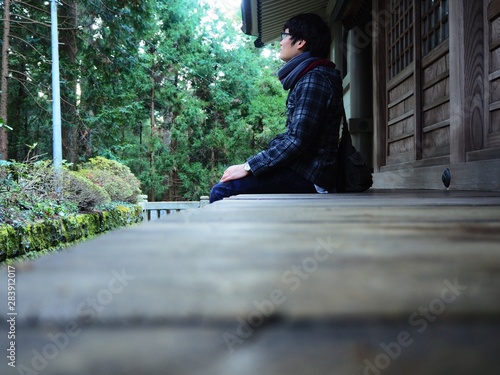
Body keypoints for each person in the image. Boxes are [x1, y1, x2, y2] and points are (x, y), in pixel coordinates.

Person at [209, 13, 343, 203]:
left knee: (222, 191)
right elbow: (296, 136)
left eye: (284, 36)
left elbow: (297, 140)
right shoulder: (310, 76)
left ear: (301, 42)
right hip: (305, 170)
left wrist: (248, 166)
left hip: (311, 175)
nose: (280, 42)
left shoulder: (314, 79)